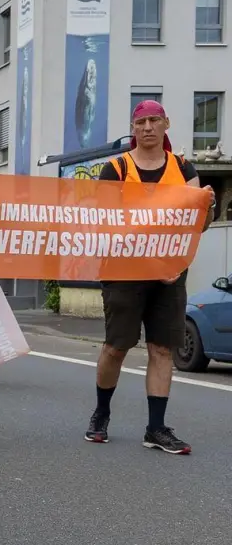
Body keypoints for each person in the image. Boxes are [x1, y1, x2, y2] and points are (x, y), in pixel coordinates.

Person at [85, 100, 214, 454]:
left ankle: (156, 428)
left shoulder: (184, 168)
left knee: (161, 349)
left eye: (154, 121)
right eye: (141, 122)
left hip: (170, 274)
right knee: (117, 347)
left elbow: (195, 226)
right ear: (133, 128)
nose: (147, 128)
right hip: (123, 273)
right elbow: (104, 223)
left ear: (166, 124)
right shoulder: (115, 169)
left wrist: (209, 206)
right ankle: (101, 413)